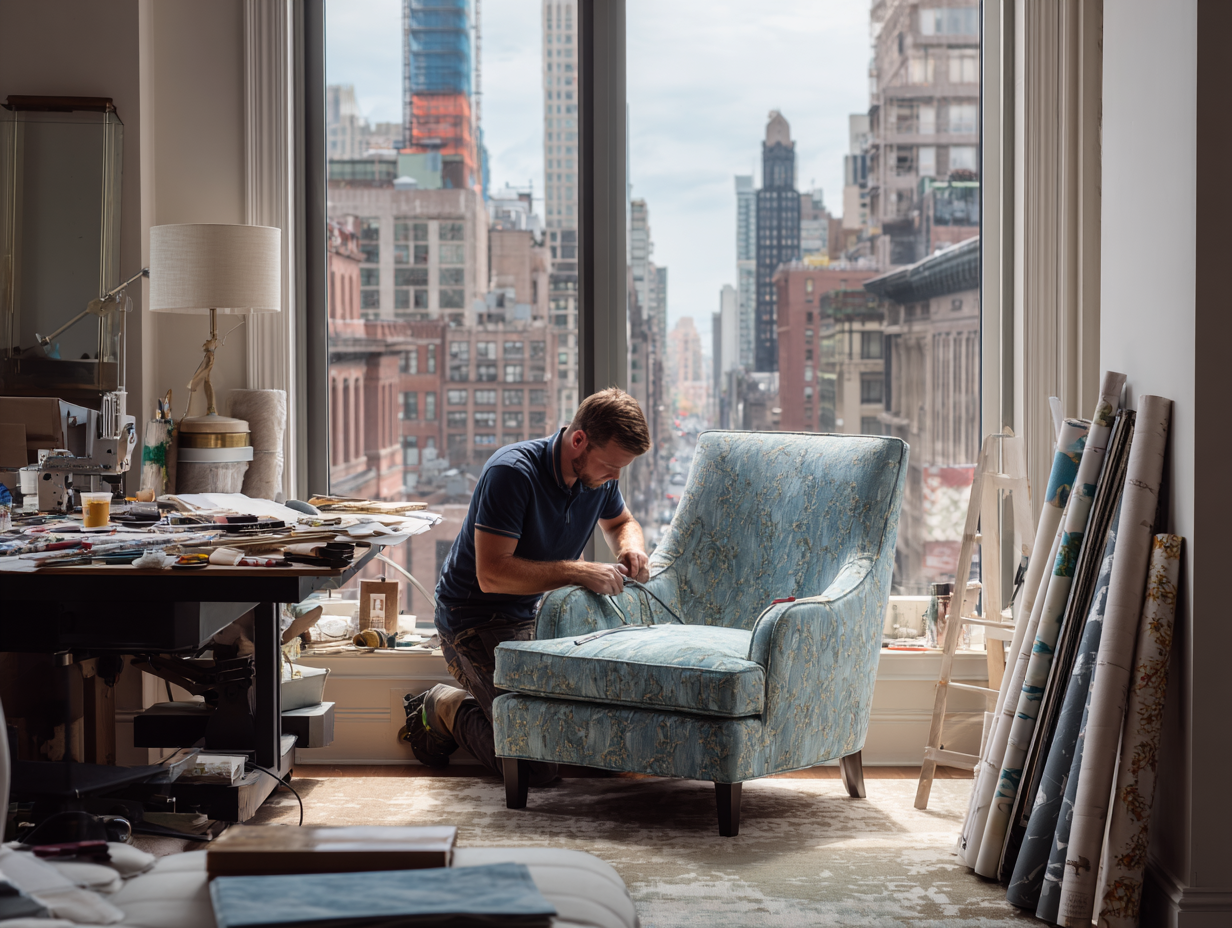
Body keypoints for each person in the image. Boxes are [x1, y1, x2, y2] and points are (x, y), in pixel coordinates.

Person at [402, 387, 652, 785]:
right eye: (609, 465)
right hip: (472, 620)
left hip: (531, 618)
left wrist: (632, 548)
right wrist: (580, 571)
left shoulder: (598, 479)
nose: (614, 477)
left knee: (604, 757)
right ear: (579, 440)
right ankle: (445, 708)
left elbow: (621, 523)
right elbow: (493, 574)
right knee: (534, 768)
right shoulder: (512, 473)